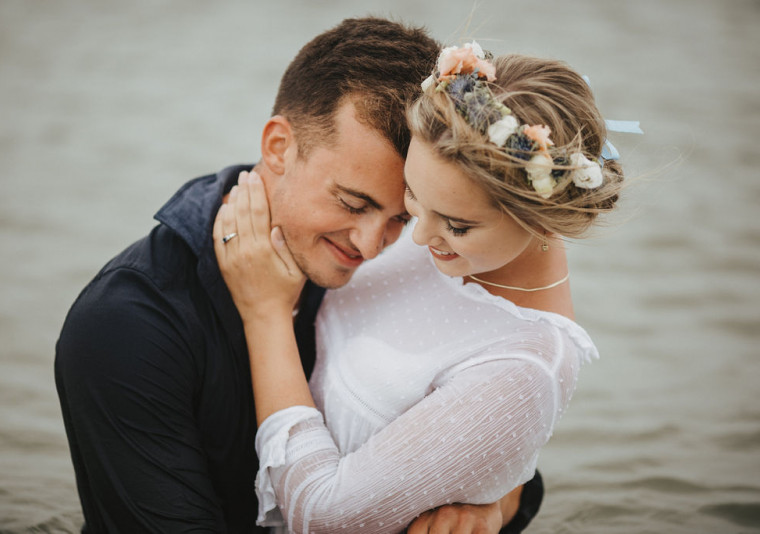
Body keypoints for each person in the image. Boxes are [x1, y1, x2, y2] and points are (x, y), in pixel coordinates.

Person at [55, 18, 529, 533]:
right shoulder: (128, 326)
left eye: (401, 217)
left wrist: (488, 507)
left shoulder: (403, 270)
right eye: (351, 202)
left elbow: (501, 449)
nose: (371, 246)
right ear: (279, 147)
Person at [214, 42, 631, 533]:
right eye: (412, 200)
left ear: (540, 221)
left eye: (456, 225)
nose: (414, 238)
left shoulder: (524, 369)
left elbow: (320, 516)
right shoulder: (449, 233)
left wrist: (264, 316)